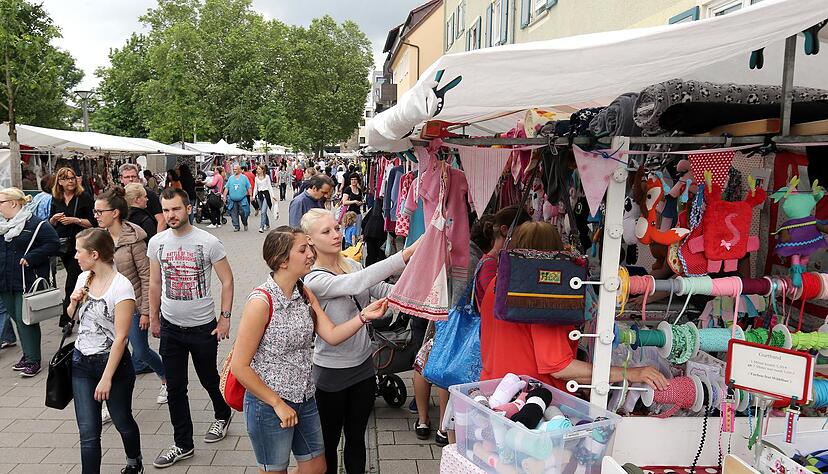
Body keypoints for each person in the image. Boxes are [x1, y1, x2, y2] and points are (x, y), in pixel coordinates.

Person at [232, 226, 390, 474]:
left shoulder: (303, 291)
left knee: (317, 467)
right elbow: (239, 366)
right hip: (269, 404)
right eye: (302, 249)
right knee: (275, 471)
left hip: (305, 397)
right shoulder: (261, 301)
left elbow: (332, 335)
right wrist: (277, 403)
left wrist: (363, 317)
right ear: (282, 261)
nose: (310, 254)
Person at [479, 221, 670, 393]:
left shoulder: (497, 284)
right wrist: (631, 373)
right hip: (531, 401)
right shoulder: (544, 295)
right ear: (554, 253)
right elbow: (559, 367)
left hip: (495, 391)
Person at [301, 210, 419, 473]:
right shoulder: (313, 279)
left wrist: (420, 295)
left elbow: (383, 290)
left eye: (336, 228)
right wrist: (406, 254)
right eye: (326, 231)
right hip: (331, 373)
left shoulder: (351, 265)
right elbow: (356, 284)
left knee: (357, 438)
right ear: (309, 239)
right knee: (329, 442)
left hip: (364, 368)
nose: (336, 234)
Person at [148, 188, 235, 468]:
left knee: (209, 378)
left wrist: (225, 318)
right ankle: (183, 444)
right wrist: (154, 317)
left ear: (188, 208)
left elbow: (227, 281)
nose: (171, 215)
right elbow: (154, 283)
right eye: (166, 210)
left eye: (176, 209)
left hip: (202, 328)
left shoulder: (208, 242)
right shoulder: (157, 243)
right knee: (175, 388)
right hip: (171, 327)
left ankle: (222, 413)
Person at [68, 228, 143, 474]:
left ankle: (134, 462)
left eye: (79, 251)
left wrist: (106, 378)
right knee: (88, 432)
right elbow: (72, 318)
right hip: (81, 361)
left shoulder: (121, 287)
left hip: (113, 365)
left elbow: (121, 338)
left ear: (95, 254)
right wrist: (73, 302)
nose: (75, 256)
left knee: (122, 420)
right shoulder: (84, 278)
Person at [95, 188, 167, 405]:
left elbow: (147, 276)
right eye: (95, 212)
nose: (96, 216)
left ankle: (166, 378)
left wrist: (146, 311)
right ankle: (110, 401)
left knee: (141, 351)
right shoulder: (98, 238)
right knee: (109, 353)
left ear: (115, 213)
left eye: (100, 212)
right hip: (107, 306)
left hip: (133, 306)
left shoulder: (134, 239)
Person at [0, 187, 59, 377]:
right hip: (5, 281)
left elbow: (53, 244)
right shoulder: (3, 225)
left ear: (13, 203)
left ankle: (33, 360)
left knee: (25, 320)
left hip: (26, 281)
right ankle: (27, 355)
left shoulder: (36, 223)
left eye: (0, 202)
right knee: (16, 318)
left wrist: (32, 257)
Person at [50, 167, 96, 328]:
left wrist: (75, 220)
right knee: (76, 279)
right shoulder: (56, 198)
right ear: (59, 182)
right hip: (63, 245)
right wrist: (54, 219)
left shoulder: (83, 197)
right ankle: (83, 308)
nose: (70, 181)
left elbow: (94, 222)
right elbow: (50, 222)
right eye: (66, 178)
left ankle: (66, 320)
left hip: (81, 245)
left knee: (71, 282)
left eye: (72, 178)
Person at [120, 163, 165, 235]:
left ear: (138, 177)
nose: (131, 179)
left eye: (133, 176)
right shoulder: (119, 195)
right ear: (121, 179)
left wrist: (157, 239)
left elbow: (161, 220)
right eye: (127, 177)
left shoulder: (149, 194)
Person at [223, 164, 251, 232]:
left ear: (239, 170)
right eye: (234, 169)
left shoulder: (244, 178)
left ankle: (245, 223)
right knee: (233, 213)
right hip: (232, 200)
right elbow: (226, 188)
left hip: (242, 199)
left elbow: (249, 187)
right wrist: (224, 196)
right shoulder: (231, 178)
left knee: (244, 212)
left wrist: (251, 195)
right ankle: (236, 226)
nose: (234, 170)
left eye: (236, 169)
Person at [253, 164, 275, 233]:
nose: (257, 170)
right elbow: (255, 187)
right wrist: (253, 196)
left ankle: (261, 227)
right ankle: (267, 224)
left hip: (266, 195)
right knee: (263, 212)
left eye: (259, 169)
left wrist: (273, 196)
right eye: (257, 169)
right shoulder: (256, 178)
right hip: (259, 195)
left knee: (263, 211)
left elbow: (269, 186)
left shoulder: (267, 177)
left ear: (263, 170)